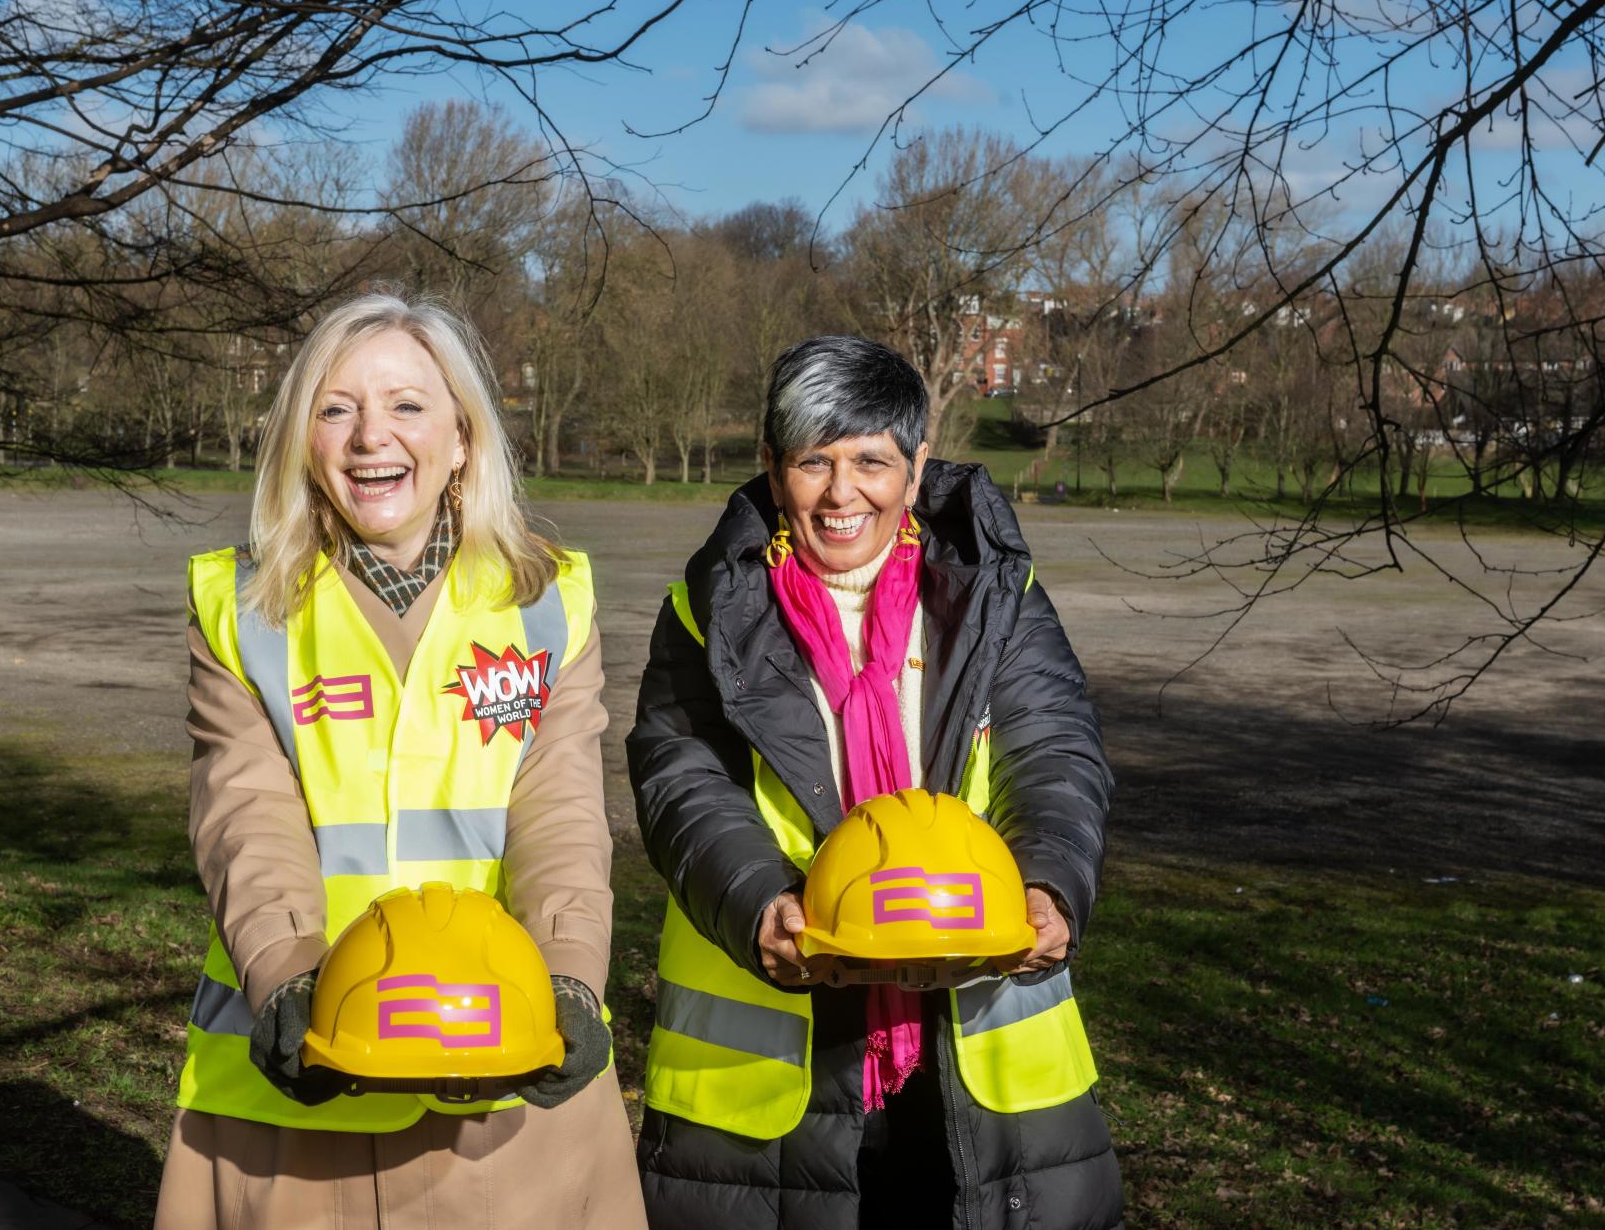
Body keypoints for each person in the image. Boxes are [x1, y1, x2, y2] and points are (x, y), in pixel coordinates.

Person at [155, 290, 646, 1230]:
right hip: (298, 1084)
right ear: (304, 439)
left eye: (406, 406)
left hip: (505, 1075)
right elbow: (245, 820)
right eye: (336, 408)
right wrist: (293, 985)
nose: (369, 436)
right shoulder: (241, 610)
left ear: (462, 438)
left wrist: (573, 979)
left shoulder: (548, 603)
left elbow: (562, 821)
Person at [627, 336, 1123, 1228]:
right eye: (813, 461)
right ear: (774, 472)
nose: (841, 490)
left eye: (870, 460)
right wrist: (759, 906)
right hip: (771, 1076)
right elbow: (682, 780)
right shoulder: (707, 607)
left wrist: (1049, 879)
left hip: (977, 1051)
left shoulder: (992, 593)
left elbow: (1054, 750)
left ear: (918, 463)